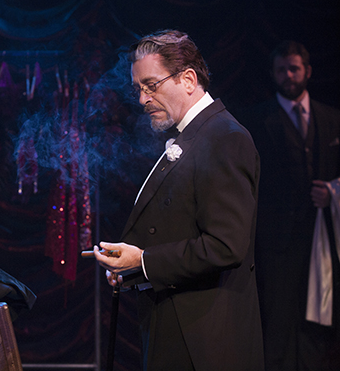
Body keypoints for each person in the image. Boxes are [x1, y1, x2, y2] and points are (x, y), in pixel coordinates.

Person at [93, 30, 264, 370]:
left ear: (188, 79)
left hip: (206, 342)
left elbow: (225, 246)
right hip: (180, 328)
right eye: (138, 89)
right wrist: (131, 270)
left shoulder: (224, 138)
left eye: (151, 85)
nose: (142, 99)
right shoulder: (196, 135)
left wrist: (143, 262)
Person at [237, 41, 340, 370]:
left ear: (307, 71)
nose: (288, 76)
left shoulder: (332, 119)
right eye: (281, 69)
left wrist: (334, 192)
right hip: (275, 242)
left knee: (317, 320)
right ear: (273, 73)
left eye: (294, 68)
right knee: (278, 319)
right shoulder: (255, 121)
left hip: (321, 238)